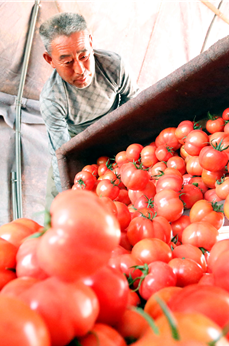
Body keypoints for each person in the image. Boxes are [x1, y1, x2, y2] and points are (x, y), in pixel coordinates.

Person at [39, 12, 140, 209]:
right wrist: (70, 199)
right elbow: (62, 154)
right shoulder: (52, 99)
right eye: (67, 62)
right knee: (58, 200)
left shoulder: (113, 65)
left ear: (91, 42)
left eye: (84, 56)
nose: (80, 70)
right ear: (50, 60)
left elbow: (135, 104)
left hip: (116, 126)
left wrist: (133, 143)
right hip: (77, 141)